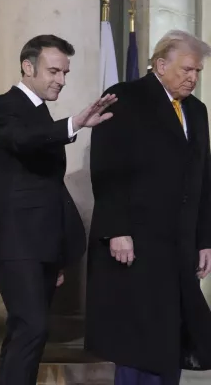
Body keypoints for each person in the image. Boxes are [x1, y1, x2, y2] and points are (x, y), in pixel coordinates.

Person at [0, 34, 117, 385]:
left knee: (30, 332)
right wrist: (74, 124)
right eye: (54, 71)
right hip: (14, 240)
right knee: (31, 326)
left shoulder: (39, 112)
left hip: (40, 243)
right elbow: (22, 140)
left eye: (65, 72)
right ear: (28, 67)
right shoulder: (4, 106)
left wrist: (54, 253)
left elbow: (46, 184)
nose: (61, 79)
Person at [86, 29, 211, 385]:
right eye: (187, 69)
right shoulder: (125, 98)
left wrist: (205, 239)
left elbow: (203, 179)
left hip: (179, 245)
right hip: (136, 243)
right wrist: (117, 229)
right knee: (137, 337)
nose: (193, 77)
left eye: (197, 72)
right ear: (160, 64)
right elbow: (106, 167)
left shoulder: (197, 112)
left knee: (171, 334)